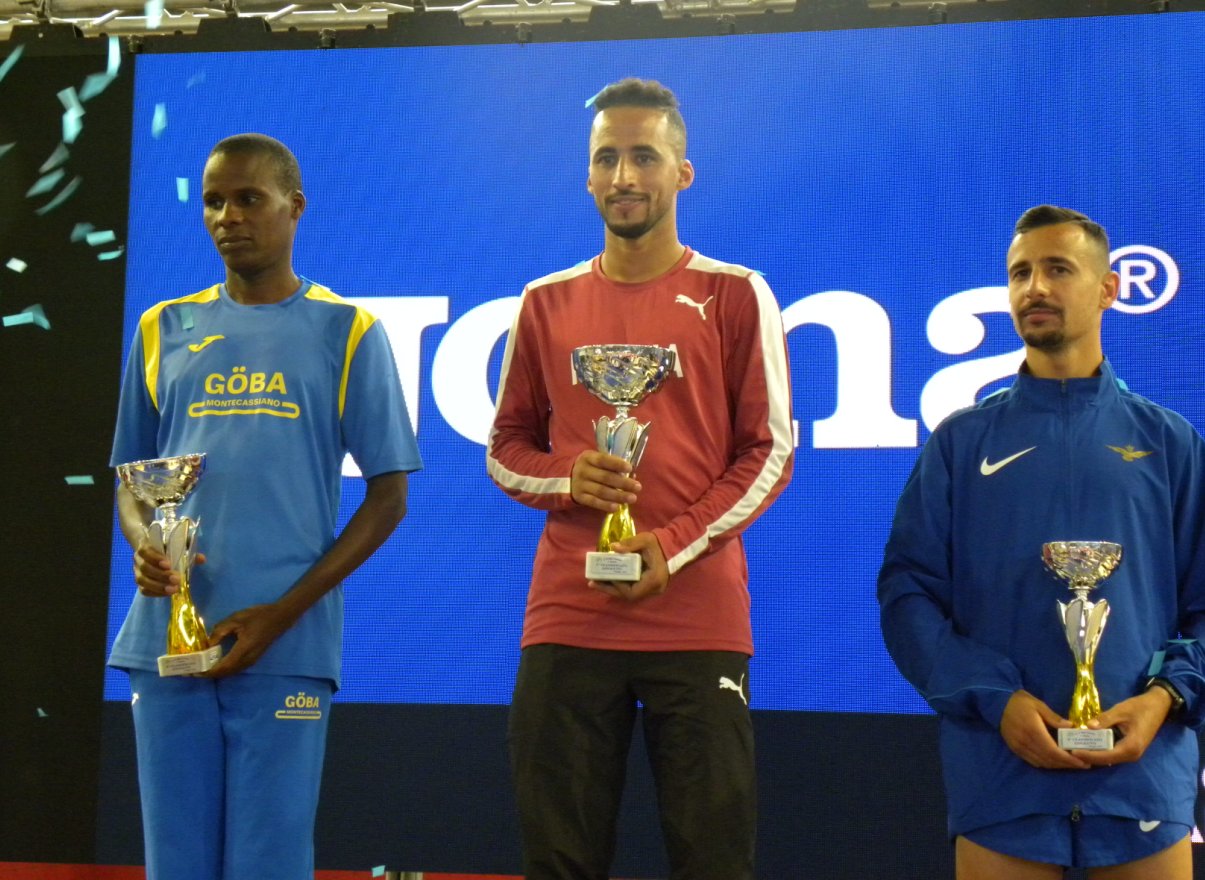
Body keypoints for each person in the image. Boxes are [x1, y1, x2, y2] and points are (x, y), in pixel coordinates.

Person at [486, 78, 794, 879]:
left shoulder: (735, 294)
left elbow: (768, 453)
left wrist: (671, 545)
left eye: (644, 157)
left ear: (681, 172)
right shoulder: (544, 302)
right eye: (607, 159)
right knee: (558, 863)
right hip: (567, 618)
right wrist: (568, 479)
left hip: (696, 620)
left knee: (713, 863)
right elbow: (505, 447)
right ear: (587, 176)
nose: (624, 176)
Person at [110, 133, 421, 880]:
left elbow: (389, 497)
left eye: (249, 198)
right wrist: (146, 544)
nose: (229, 217)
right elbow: (132, 480)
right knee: (175, 866)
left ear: (295, 206)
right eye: (214, 201)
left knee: (268, 865)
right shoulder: (161, 328)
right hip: (166, 643)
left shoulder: (347, 331)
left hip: (285, 645)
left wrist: (283, 614)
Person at [878, 205, 1205, 879]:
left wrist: (1163, 699)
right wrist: (993, 698)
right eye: (1020, 273)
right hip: (1001, 776)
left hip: (1142, 779)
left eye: (1058, 269)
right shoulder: (960, 444)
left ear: (1108, 288)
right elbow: (907, 595)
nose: (1034, 288)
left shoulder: (1169, 442)